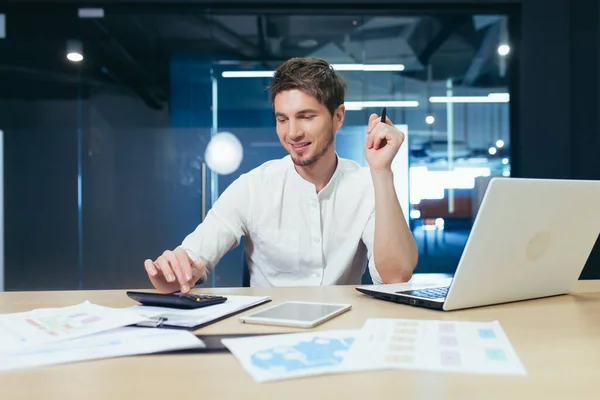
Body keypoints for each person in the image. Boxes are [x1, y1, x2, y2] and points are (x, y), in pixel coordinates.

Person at [144, 57, 418, 293]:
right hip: (267, 333)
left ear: (338, 117)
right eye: (282, 119)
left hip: (343, 330)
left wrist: (381, 171)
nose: (292, 133)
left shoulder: (366, 185)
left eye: (306, 116)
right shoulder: (253, 187)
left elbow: (395, 276)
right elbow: (191, 257)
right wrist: (171, 275)